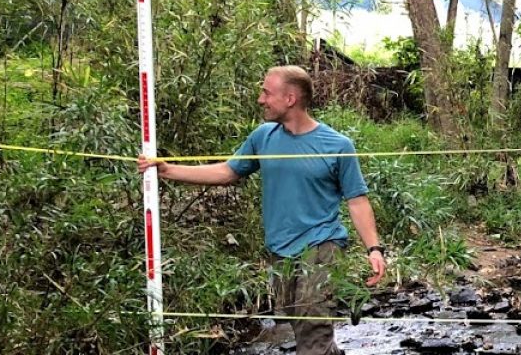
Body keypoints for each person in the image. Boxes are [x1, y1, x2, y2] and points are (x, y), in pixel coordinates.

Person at [137, 66, 386, 355]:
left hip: (323, 245)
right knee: (298, 322)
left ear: (290, 98)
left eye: (267, 92)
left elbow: (357, 200)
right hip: (280, 248)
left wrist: (374, 249)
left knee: (311, 320)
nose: (260, 99)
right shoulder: (263, 136)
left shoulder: (338, 145)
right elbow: (228, 171)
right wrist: (168, 170)